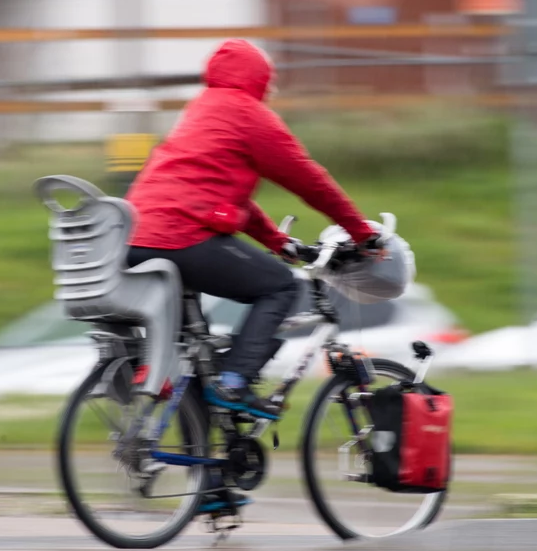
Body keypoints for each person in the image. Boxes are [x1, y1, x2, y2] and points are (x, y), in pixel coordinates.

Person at [126, 39, 376, 415]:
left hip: (133, 236)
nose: (271, 91)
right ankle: (235, 381)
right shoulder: (247, 113)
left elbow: (224, 197)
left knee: (197, 351)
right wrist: (362, 233)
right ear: (257, 80)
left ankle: (209, 453)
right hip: (180, 237)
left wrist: (277, 241)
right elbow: (309, 180)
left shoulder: (200, 110)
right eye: (269, 82)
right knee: (280, 286)